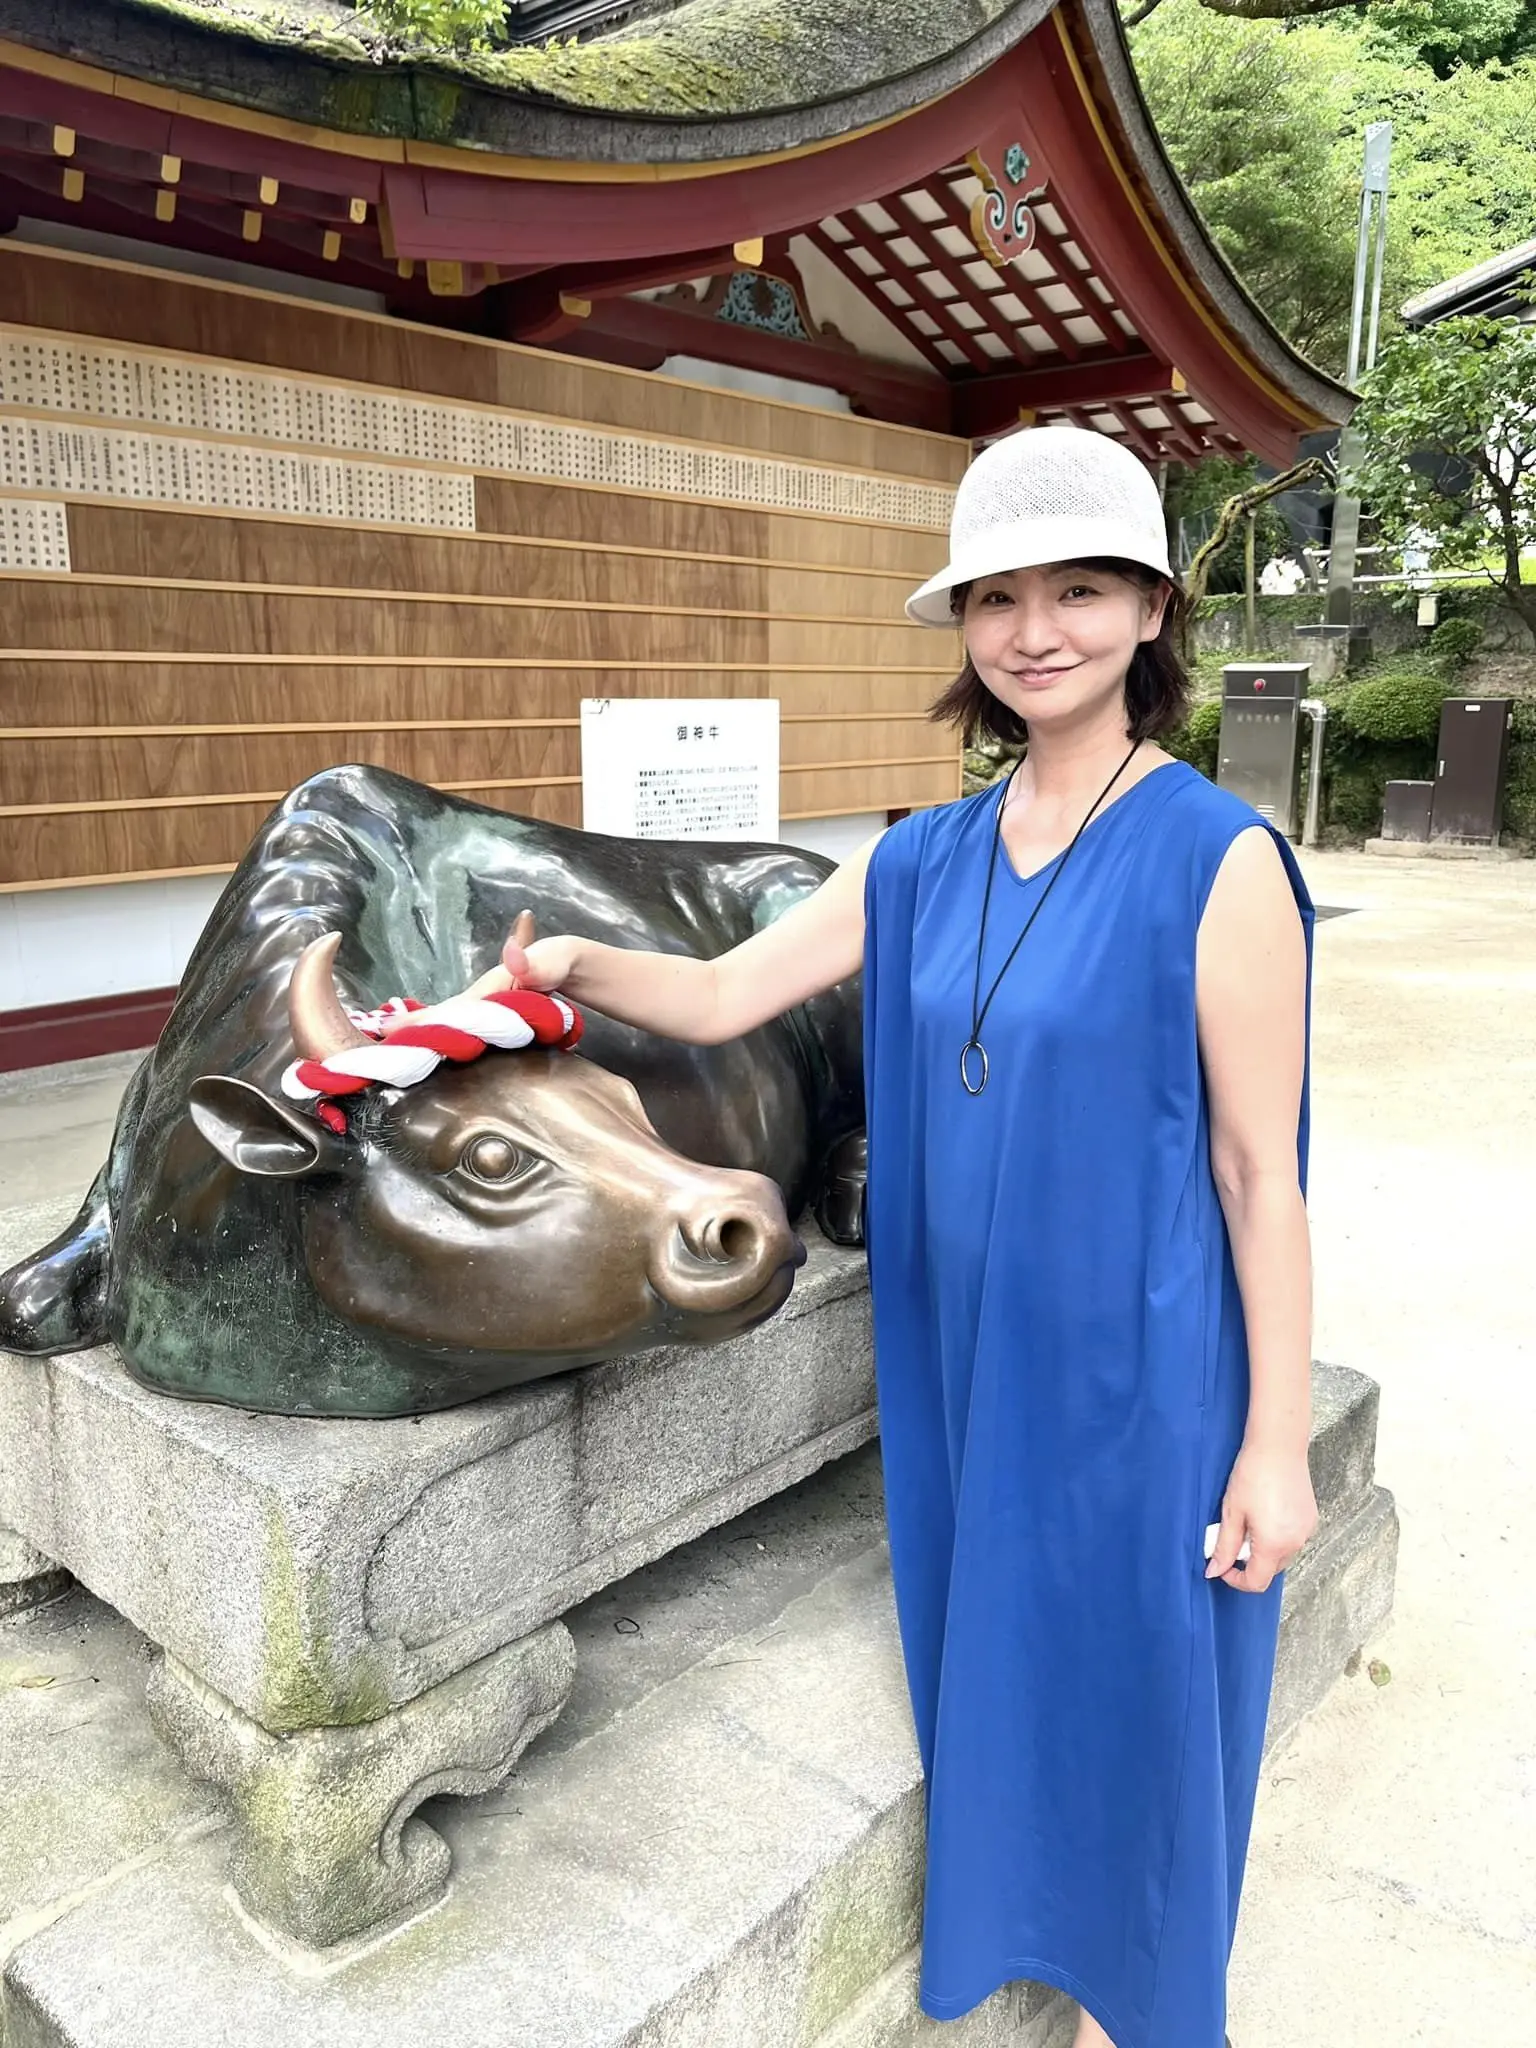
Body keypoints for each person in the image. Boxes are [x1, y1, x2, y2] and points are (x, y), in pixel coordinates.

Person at [407, 425, 1318, 2048]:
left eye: (1083, 589)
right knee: (1002, 1656)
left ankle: (1147, 2005)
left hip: (1142, 1361)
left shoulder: (1215, 857)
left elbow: (1262, 1174)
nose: (1038, 629)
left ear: (1154, 613)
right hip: (965, 1358)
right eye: (1001, 597)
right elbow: (717, 992)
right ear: (963, 627)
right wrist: (560, 977)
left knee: (1148, 1684)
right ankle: (1037, 1940)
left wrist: (1275, 1446)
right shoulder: (920, 855)